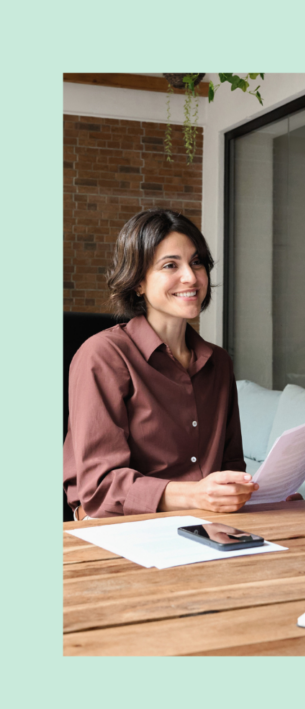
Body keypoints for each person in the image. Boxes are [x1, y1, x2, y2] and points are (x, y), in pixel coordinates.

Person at [64, 210, 286, 519]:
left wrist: (255, 492)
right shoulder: (103, 355)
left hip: (206, 525)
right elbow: (100, 489)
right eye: (170, 265)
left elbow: (231, 465)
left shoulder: (218, 363)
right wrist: (195, 495)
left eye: (196, 262)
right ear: (138, 282)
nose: (191, 277)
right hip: (122, 529)